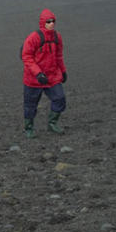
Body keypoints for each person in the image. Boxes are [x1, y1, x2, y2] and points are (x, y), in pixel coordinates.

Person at [21, 9, 67, 138]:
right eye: (48, 21)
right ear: (43, 23)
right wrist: (38, 73)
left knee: (60, 98)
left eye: (53, 21)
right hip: (33, 79)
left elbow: (59, 56)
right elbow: (27, 56)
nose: (51, 23)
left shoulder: (57, 37)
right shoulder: (34, 38)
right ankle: (29, 128)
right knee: (30, 105)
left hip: (52, 76)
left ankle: (52, 124)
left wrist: (63, 71)